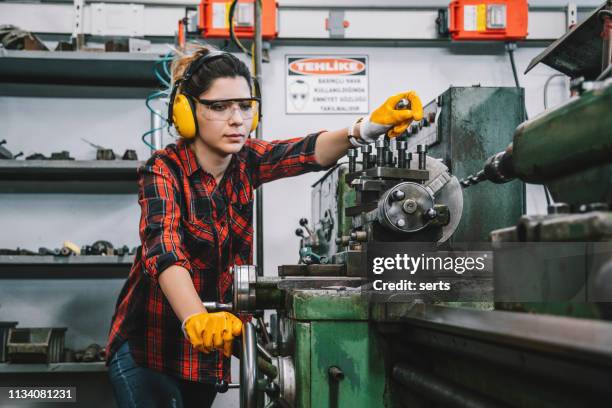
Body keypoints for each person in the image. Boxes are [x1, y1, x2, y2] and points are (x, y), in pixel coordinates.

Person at [105, 45, 423, 408]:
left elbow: (306, 151)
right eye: (219, 107)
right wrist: (195, 316)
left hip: (206, 354)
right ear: (186, 112)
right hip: (149, 349)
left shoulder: (247, 162)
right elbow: (164, 246)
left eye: (244, 105)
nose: (237, 119)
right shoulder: (163, 169)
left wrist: (365, 129)